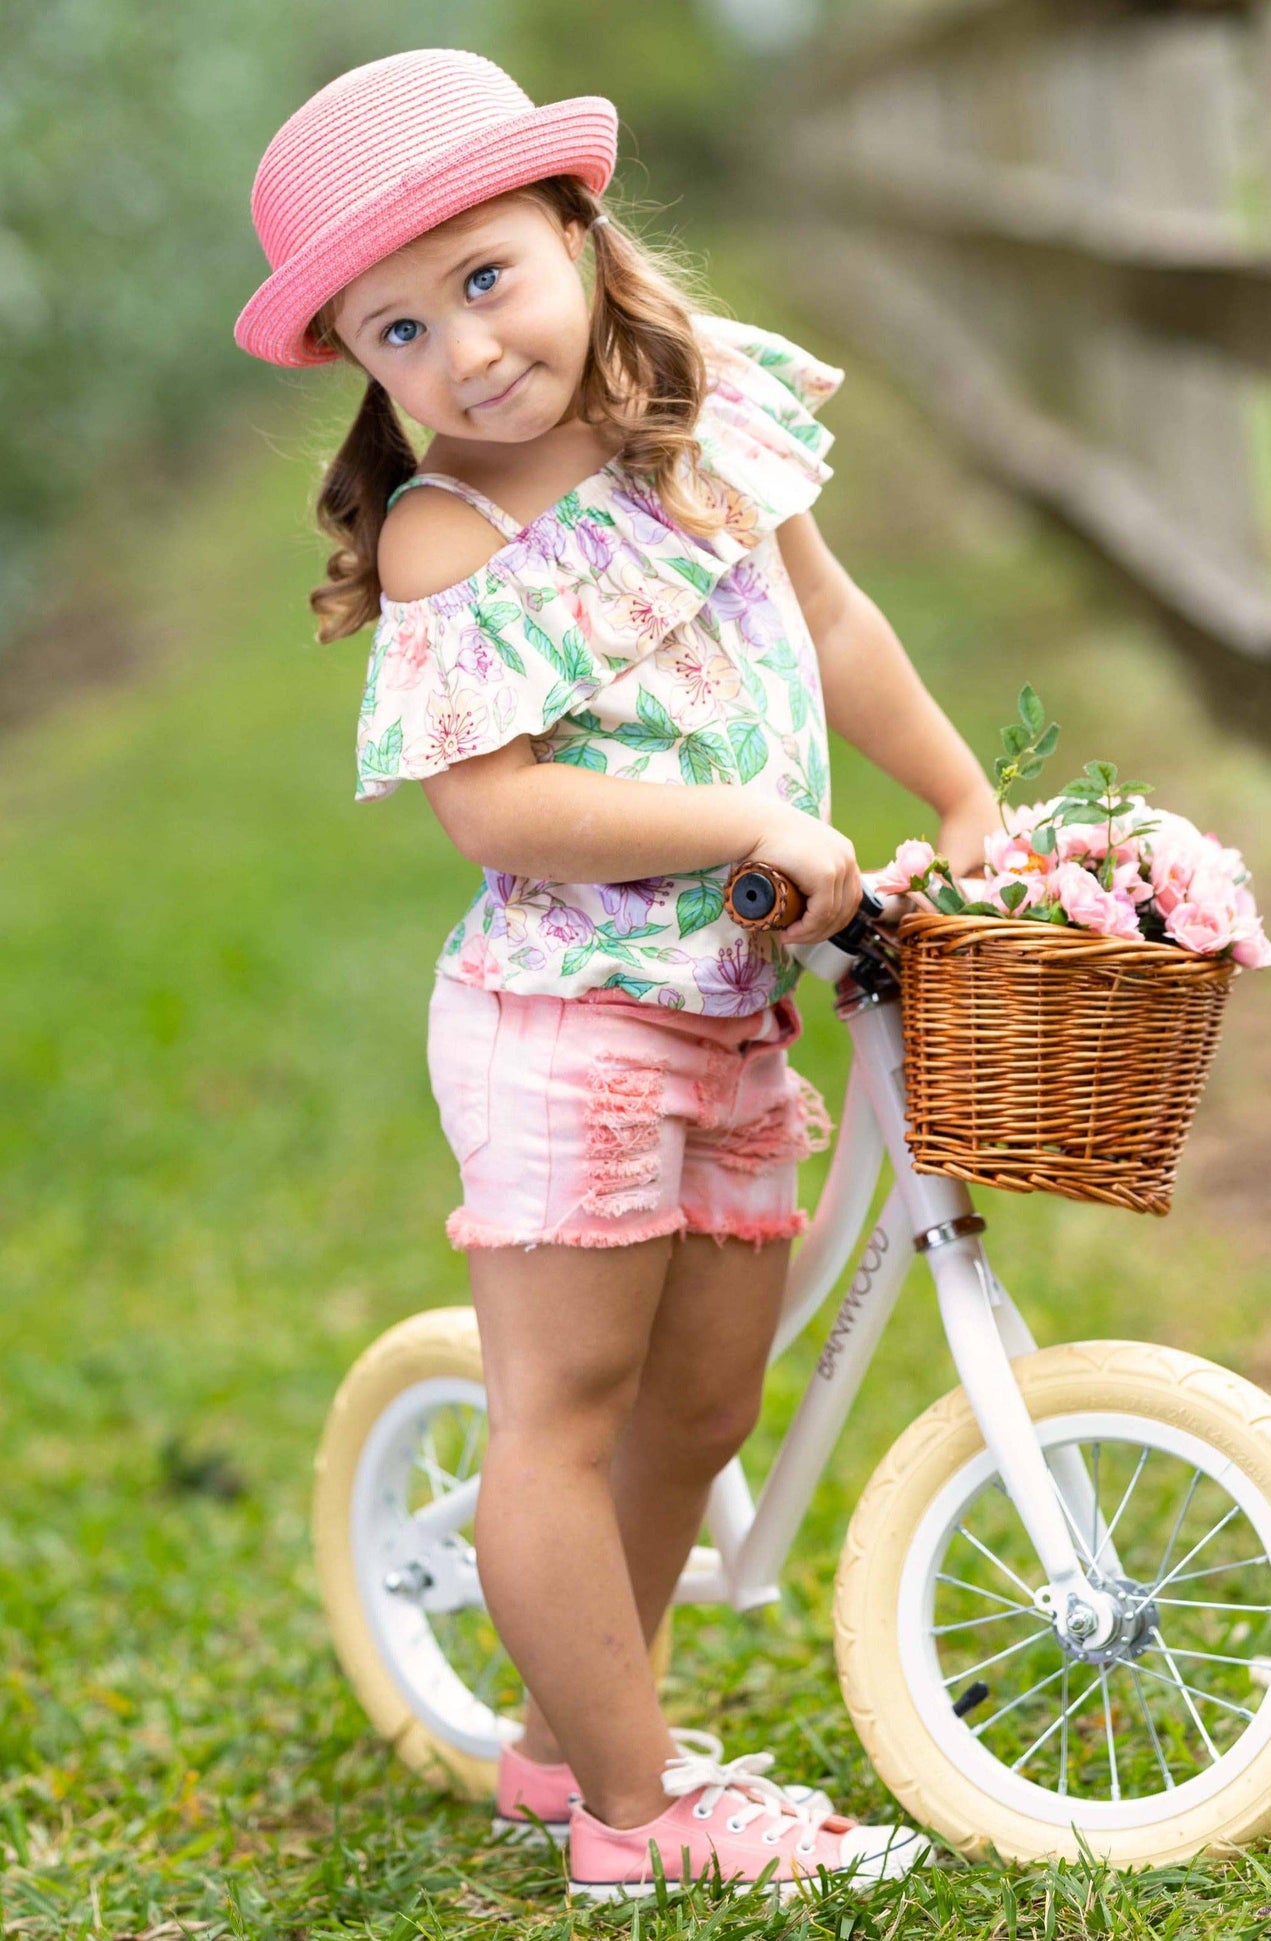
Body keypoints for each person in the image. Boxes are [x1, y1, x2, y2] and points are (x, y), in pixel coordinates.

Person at [235, 45, 1000, 1902]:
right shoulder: (453, 533)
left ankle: (570, 1733)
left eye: (485, 280)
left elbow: (826, 619)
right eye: (397, 331)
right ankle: (637, 1821)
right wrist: (742, 817)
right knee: (566, 1412)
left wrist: (961, 793)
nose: (464, 353)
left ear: (575, 230)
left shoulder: (710, 407)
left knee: (701, 1406)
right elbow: (494, 810)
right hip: (566, 1029)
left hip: (726, 1008)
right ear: (363, 366)